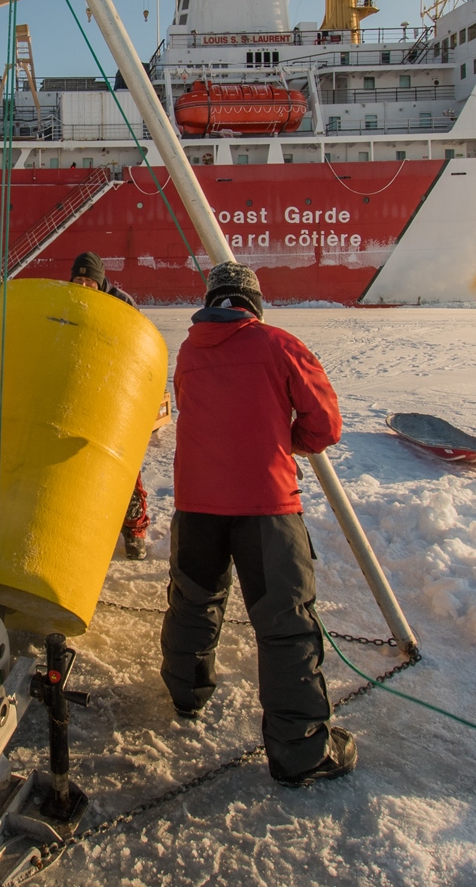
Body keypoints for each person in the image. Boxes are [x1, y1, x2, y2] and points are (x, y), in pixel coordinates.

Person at [160, 260, 358, 786]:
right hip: (265, 509)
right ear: (254, 303)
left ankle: (186, 695)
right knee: (285, 626)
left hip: (196, 504)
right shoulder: (278, 343)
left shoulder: (187, 352)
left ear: (213, 300)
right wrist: (285, 438)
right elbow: (326, 424)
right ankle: (301, 754)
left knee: (193, 600)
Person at [66, 250, 149, 558]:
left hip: (114, 396)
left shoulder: (122, 306)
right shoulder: (67, 300)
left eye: (90, 281)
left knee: (125, 467)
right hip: (79, 393)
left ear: (101, 282)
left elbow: (137, 349)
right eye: (79, 280)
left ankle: (134, 530)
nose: (84, 286)